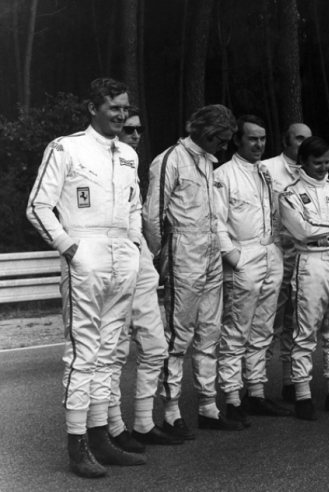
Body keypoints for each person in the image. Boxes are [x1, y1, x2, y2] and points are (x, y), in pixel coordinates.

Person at [26, 78, 145, 478]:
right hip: (85, 253)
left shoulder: (128, 154)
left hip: (122, 258)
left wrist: (134, 250)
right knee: (82, 353)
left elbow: (133, 208)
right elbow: (38, 206)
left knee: (111, 352)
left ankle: (100, 439)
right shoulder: (67, 147)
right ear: (93, 107)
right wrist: (69, 247)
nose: (121, 114)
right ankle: (76, 444)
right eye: (114, 106)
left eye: (125, 107)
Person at [143, 104, 244, 439]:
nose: (225, 146)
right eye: (220, 139)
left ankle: (208, 407)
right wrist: (160, 258)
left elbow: (215, 213)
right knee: (178, 336)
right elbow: (153, 216)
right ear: (203, 131)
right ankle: (171, 412)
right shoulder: (170, 159)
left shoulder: (207, 161)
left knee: (210, 333)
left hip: (211, 250)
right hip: (183, 250)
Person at [107, 106, 182, 453]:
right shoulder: (98, 167)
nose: (136, 136)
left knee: (156, 346)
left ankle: (143, 422)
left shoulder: (133, 168)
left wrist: (147, 254)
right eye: (129, 130)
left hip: (140, 262)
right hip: (112, 265)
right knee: (115, 351)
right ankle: (114, 428)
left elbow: (139, 214)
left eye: (139, 130)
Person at [214, 115, 291, 427]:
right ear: (237, 140)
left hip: (270, 252)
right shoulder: (223, 175)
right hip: (242, 255)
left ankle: (256, 393)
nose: (258, 144)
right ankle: (232, 398)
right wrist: (233, 257)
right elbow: (216, 221)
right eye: (252, 139)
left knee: (263, 329)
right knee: (236, 330)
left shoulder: (265, 173)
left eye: (262, 139)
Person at [278, 136, 329, 421]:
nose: (323, 167)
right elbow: (301, 231)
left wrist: (324, 230)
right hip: (310, 263)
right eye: (317, 163)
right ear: (302, 162)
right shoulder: (289, 194)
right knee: (305, 332)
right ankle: (302, 396)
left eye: (326, 162)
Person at [262, 123, 313, 402]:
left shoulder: (313, 169)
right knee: (269, 320)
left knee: (297, 321)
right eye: (298, 139)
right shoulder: (268, 168)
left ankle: (289, 381)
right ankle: (255, 387)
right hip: (275, 252)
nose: (303, 144)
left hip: (303, 254)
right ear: (285, 140)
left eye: (308, 139)